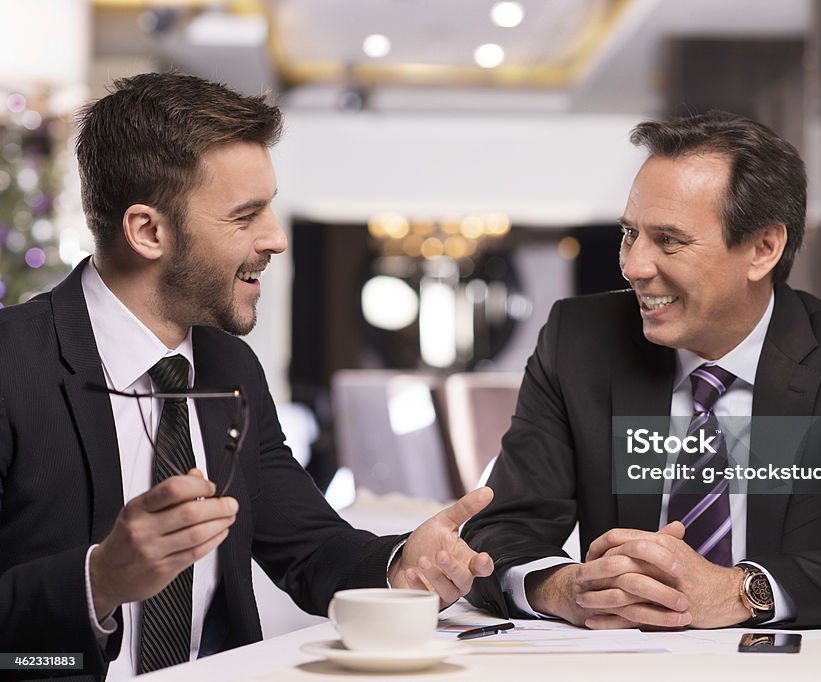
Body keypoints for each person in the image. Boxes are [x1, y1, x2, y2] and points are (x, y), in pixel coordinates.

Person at [0, 72, 493, 679]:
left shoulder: (231, 366)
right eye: (245, 216)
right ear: (147, 231)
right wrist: (98, 582)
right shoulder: (11, 363)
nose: (276, 238)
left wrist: (401, 563)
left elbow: (310, 547)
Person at [462, 111, 821, 630]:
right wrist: (563, 588)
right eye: (630, 234)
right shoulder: (579, 341)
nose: (635, 265)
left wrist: (740, 592)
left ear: (763, 248)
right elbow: (498, 531)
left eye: (669, 241)